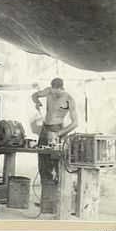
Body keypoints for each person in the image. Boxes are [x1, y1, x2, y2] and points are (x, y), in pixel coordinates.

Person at [31, 77, 78, 213]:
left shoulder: (69, 99)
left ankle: (59, 200)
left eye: (57, 92)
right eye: (52, 91)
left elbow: (75, 123)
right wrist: (37, 102)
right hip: (45, 128)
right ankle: (46, 198)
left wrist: (59, 134)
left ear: (61, 88)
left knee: (57, 163)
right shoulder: (48, 91)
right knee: (42, 160)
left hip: (58, 129)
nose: (54, 94)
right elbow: (34, 95)